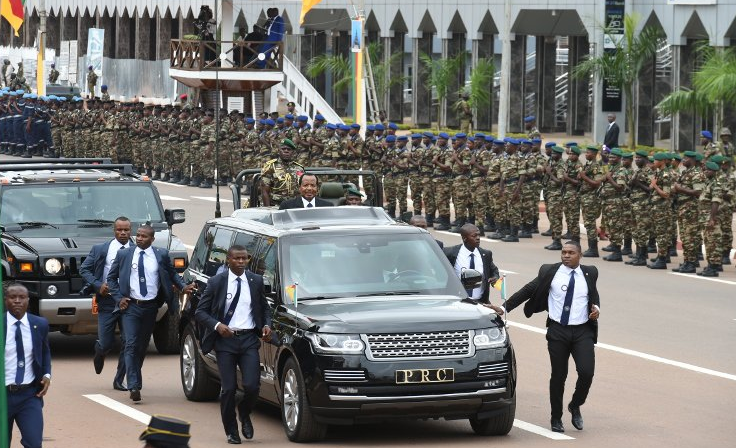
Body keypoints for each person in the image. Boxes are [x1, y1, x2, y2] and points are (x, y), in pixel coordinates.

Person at [497, 241, 600, 433]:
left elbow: (593, 293)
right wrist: (503, 308)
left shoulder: (590, 272)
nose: (566, 256)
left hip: (582, 331)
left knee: (587, 372)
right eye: (563, 252)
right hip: (558, 331)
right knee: (559, 376)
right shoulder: (549, 272)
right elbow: (527, 290)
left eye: (571, 253)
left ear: (580, 255)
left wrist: (597, 308)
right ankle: (556, 417)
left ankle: (575, 405)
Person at [107, 225, 195, 403]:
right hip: (130, 307)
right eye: (138, 235)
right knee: (130, 344)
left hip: (150, 308)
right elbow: (111, 278)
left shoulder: (160, 255)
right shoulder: (125, 255)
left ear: (152, 239)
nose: (139, 238)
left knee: (141, 346)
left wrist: (183, 287)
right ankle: (134, 385)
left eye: (144, 236)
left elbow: (172, 275)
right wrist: (118, 298)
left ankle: (133, 378)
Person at [195, 245, 272, 444]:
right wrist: (218, 326)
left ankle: (244, 413)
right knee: (228, 389)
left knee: (252, 386)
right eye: (236, 259)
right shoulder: (216, 282)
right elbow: (200, 312)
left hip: (248, 340)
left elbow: (264, 308)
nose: (240, 262)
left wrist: (266, 325)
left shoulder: (255, 281)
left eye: (244, 259)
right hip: (225, 341)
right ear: (228, 260)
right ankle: (231, 430)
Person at [79, 216, 134, 390]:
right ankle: (100, 350)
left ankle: (119, 379)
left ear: (130, 230)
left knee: (128, 342)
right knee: (106, 342)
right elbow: (84, 269)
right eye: (119, 230)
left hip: (128, 302)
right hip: (108, 302)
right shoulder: (101, 249)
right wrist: (98, 285)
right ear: (114, 230)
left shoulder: (137, 250)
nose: (123, 233)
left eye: (126, 230)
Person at [5, 283, 52, 448]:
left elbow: (45, 352)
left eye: (21, 297)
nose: (17, 301)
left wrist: (47, 375)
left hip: (29, 395)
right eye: (12, 297)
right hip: (3, 396)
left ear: (28, 300)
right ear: (5, 300)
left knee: (34, 443)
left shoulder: (40, 324)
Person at [444, 224, 500, 304]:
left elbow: (494, 270)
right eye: (474, 236)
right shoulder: (449, 253)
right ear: (464, 238)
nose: (478, 238)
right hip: (457, 302)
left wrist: (495, 277)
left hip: (480, 302)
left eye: (478, 235)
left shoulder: (486, 254)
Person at [260, 139, 305, 207]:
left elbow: (303, 188)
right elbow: (264, 191)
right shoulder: (271, 167)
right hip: (276, 205)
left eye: (289, 149)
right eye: (283, 149)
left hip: (295, 205)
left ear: (292, 152)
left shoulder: (299, 168)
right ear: (279, 151)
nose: (286, 151)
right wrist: (268, 209)